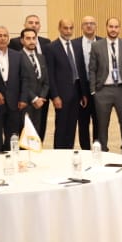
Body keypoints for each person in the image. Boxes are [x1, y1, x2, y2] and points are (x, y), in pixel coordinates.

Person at [88, 18, 122, 156]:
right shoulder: (97, 46)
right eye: (111, 26)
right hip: (103, 90)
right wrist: (93, 91)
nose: (113, 29)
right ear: (106, 27)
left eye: (116, 27)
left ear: (119, 28)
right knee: (102, 124)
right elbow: (92, 69)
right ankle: (102, 152)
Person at [47, 18, 86, 149]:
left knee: (72, 125)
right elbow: (50, 74)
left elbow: (80, 70)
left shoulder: (76, 46)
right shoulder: (52, 47)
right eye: (65, 28)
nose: (68, 31)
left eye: (71, 28)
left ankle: (69, 150)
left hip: (76, 92)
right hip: (61, 94)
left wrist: (83, 93)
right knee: (61, 126)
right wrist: (55, 96)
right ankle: (59, 152)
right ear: (59, 28)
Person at [0, 25, 24, 153]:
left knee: (13, 137)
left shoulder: (17, 55)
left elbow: (23, 78)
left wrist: (22, 98)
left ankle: (12, 158)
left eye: (5, 36)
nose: (3, 38)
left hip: (14, 103)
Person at [18, 28, 50, 144]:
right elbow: (20, 81)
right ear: (22, 40)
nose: (31, 41)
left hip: (39, 104)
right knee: (25, 135)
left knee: (36, 134)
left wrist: (41, 97)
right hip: (25, 103)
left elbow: (46, 81)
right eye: (28, 38)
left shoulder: (41, 57)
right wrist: (34, 98)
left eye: (33, 38)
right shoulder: (17, 57)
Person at [74, 15, 100, 148]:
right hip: (81, 89)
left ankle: (98, 148)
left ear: (96, 26)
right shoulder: (74, 44)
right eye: (86, 24)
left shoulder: (103, 42)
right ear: (81, 27)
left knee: (99, 122)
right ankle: (85, 150)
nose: (89, 26)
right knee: (83, 122)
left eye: (92, 23)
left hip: (100, 89)